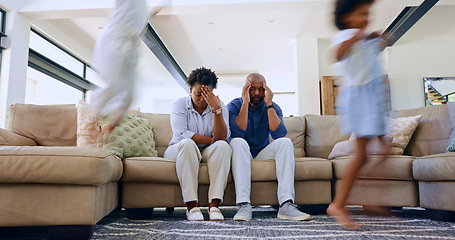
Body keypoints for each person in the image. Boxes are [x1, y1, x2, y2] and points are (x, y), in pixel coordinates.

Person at [326, 0, 391, 230]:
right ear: (346, 18)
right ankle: (338, 204)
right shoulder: (345, 36)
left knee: (384, 152)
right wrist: (360, 36)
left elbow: (371, 65)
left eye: (367, 13)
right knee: (362, 155)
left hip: (373, 99)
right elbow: (339, 54)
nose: (366, 17)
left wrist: (374, 38)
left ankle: (371, 200)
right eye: (361, 13)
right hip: (358, 99)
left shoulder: (362, 38)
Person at [227, 73, 310, 221]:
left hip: (261, 154)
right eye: (252, 89)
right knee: (238, 142)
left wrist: (269, 105)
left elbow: (279, 134)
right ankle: (244, 205)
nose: (257, 93)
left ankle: (286, 205)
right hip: (241, 153)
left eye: (261, 89)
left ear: (266, 90)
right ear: (245, 89)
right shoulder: (234, 105)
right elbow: (237, 132)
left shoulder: (272, 106)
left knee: (285, 142)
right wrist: (245, 103)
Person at [164, 67, 232, 221]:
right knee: (188, 144)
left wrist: (216, 109)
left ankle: (214, 206)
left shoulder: (219, 105)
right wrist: (212, 140)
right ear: (190, 90)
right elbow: (182, 134)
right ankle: (192, 207)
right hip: (179, 149)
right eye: (198, 94)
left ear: (213, 92)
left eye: (206, 95)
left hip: (206, 151)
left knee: (223, 147)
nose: (202, 99)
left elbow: (222, 138)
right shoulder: (179, 104)